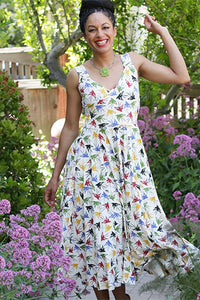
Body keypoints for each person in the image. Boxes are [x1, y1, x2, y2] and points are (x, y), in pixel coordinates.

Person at [44, 1, 198, 299]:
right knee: (102, 240)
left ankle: (123, 295)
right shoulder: (77, 75)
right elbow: (72, 127)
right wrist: (55, 176)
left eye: (105, 27)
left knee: (145, 226)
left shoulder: (133, 63)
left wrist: (162, 32)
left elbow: (182, 76)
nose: (99, 34)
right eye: (92, 30)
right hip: (91, 171)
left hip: (130, 168)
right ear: (85, 35)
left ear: (114, 30)